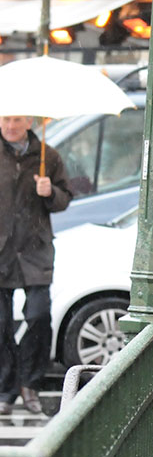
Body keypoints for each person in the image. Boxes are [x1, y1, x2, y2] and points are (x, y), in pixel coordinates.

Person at [0, 115, 71, 415]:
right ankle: (6, 387)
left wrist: (50, 192)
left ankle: (31, 384)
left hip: (35, 251)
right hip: (2, 251)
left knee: (39, 317)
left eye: (17, 120)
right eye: (5, 119)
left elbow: (64, 198)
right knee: (1, 324)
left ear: (29, 121)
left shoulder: (48, 156)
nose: (10, 126)